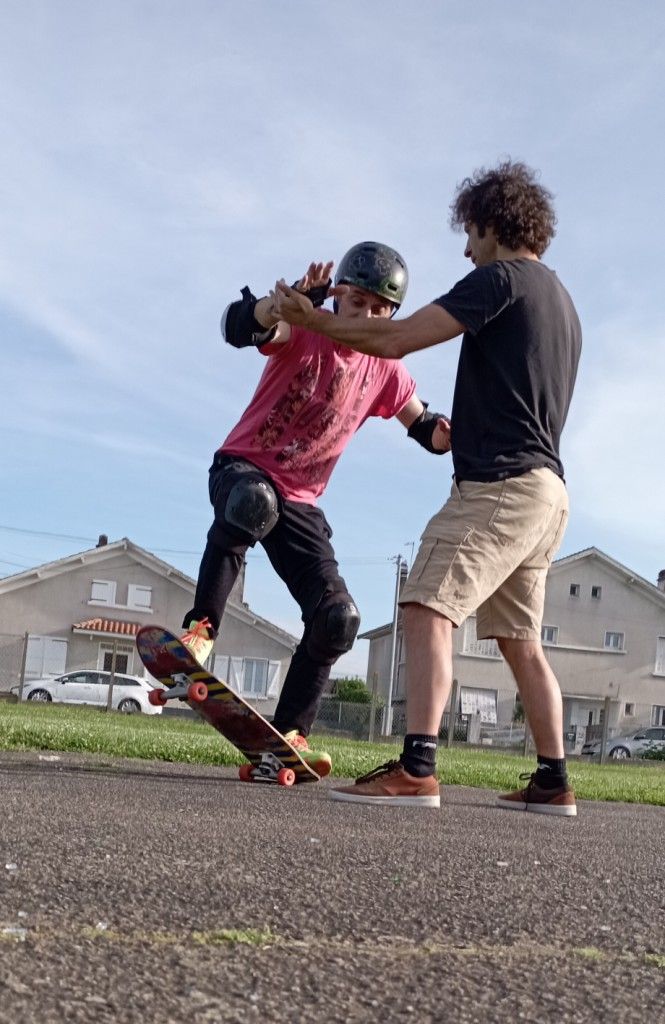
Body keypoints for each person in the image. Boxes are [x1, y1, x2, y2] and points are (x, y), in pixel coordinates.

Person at [273, 161, 582, 812]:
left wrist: (315, 318)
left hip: (498, 487)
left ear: (490, 225)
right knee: (518, 639)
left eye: (467, 235)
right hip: (547, 490)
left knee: (423, 606)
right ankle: (553, 781)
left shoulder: (499, 278)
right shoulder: (560, 300)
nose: (465, 251)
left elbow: (398, 338)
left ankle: (416, 767)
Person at [181, 242, 451, 777]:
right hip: (245, 471)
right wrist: (274, 308)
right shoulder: (307, 324)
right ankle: (201, 630)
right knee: (252, 503)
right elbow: (240, 327)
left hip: (303, 503)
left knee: (338, 619)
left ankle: (289, 735)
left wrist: (462, 434)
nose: (369, 320)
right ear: (339, 296)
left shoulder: (385, 366)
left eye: (381, 312)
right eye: (359, 307)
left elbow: (426, 429)